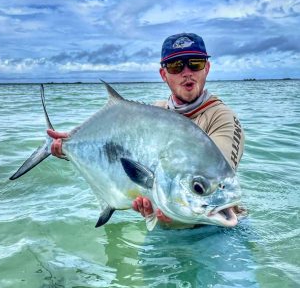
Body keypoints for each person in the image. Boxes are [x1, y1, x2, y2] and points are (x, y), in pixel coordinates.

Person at [48, 33, 245, 228]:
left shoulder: (223, 118)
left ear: (207, 69)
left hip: (218, 228)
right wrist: (67, 148)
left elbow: (217, 177)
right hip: (167, 224)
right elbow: (114, 153)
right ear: (163, 75)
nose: (187, 72)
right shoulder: (152, 113)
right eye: (176, 66)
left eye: (195, 64)